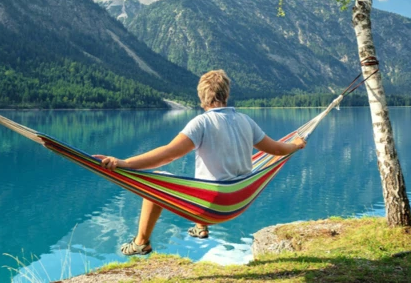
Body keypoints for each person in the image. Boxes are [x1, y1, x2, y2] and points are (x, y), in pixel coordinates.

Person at [92, 70, 307, 256]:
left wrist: (125, 162)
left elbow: (168, 155)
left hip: (211, 203)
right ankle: (200, 227)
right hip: (239, 200)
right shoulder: (246, 121)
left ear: (201, 97)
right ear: (227, 94)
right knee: (212, 175)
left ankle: (141, 243)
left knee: (156, 184)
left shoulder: (202, 123)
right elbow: (278, 150)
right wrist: (296, 144)